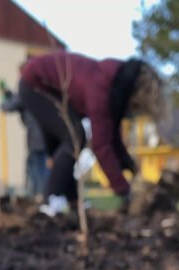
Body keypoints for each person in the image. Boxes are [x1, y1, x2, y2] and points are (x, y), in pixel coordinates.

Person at [17, 52, 165, 210]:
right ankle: (50, 200)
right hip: (35, 84)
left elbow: (112, 137)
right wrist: (124, 190)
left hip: (44, 84)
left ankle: (72, 200)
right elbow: (101, 147)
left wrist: (132, 168)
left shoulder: (111, 86)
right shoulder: (100, 90)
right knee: (74, 137)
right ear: (135, 93)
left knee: (70, 140)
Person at [0, 77, 49, 198]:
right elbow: (17, 99)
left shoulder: (26, 94)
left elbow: (9, 106)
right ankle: (39, 193)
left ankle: (39, 194)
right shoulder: (35, 93)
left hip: (36, 138)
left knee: (36, 168)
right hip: (42, 137)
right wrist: (7, 93)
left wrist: (2, 103)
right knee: (37, 166)